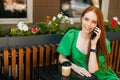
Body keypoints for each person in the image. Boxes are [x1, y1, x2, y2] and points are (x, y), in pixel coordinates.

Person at [57, 6, 120, 80]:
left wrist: (93, 45)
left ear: (97, 25)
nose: (88, 24)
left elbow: (92, 70)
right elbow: (61, 58)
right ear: (82, 18)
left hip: (104, 77)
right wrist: (75, 67)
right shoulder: (72, 35)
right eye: (86, 19)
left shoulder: (103, 43)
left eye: (94, 22)